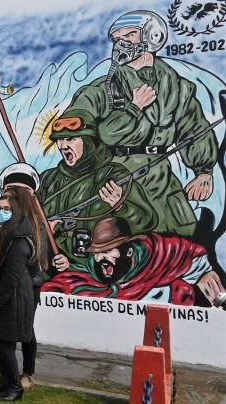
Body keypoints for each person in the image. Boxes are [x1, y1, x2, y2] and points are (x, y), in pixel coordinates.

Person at [67, 10, 218, 238]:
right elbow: (75, 126)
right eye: (117, 39)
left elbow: (194, 127)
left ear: (152, 36)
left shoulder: (178, 87)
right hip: (116, 178)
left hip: (161, 177)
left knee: (183, 237)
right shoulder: (102, 89)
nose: (122, 43)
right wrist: (133, 109)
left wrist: (203, 170)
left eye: (129, 35)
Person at [38, 109, 156, 272]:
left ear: (88, 141)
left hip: (99, 270)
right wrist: (43, 232)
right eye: (59, 140)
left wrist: (121, 207)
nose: (63, 146)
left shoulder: (115, 174)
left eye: (70, 139)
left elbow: (147, 222)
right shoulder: (48, 179)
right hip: (53, 269)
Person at [43, 216, 225, 305]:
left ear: (128, 252)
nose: (101, 257)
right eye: (97, 252)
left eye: (108, 251)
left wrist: (218, 300)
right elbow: (63, 284)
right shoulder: (87, 274)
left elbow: (192, 261)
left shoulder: (157, 255)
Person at [0, 194, 44, 401]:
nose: (1, 211)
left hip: (14, 296)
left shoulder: (17, 239)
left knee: (1, 341)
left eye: (6, 209)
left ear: (15, 213)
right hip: (7, 292)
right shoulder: (0, 234)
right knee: (2, 340)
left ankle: (15, 387)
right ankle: (5, 382)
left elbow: (13, 275)